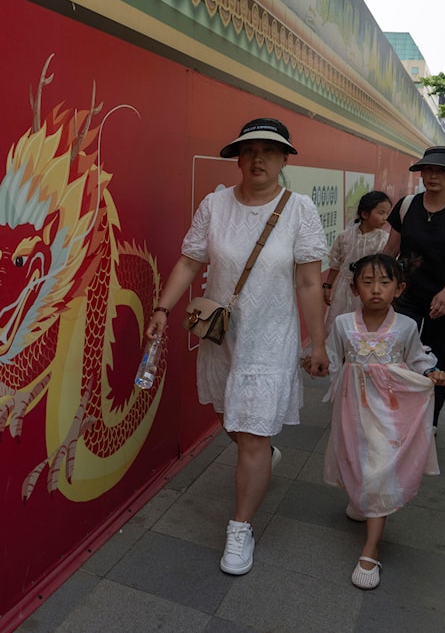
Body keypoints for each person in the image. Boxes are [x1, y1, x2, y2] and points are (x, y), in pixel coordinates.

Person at [145, 118, 328, 576]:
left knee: (250, 433)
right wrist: (161, 309)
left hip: (271, 341)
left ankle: (240, 527)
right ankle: (264, 452)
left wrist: (319, 342)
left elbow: (309, 281)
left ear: (285, 159)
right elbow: (190, 261)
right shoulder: (215, 205)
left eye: (270, 150)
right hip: (222, 337)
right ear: (237, 158)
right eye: (250, 150)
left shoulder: (299, 210)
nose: (259, 159)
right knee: (233, 420)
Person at [320, 254, 445, 590]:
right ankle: (362, 497)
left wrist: (431, 373)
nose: (376, 289)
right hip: (351, 407)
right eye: (367, 282)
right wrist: (317, 365)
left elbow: (418, 358)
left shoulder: (407, 326)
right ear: (354, 287)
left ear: (399, 288)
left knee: (380, 468)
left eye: (384, 282)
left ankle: (370, 548)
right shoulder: (342, 324)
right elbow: (334, 361)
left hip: (391, 410)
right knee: (358, 459)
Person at [383, 146, 445, 425]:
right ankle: (396, 412)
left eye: (442, 171)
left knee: (441, 357)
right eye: (428, 169)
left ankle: (429, 419)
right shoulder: (406, 206)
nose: (433, 176)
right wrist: (380, 286)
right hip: (408, 293)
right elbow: (390, 249)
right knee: (398, 350)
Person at [322, 191, 392, 330]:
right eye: (381, 213)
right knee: (338, 325)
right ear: (365, 214)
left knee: (365, 326)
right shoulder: (345, 236)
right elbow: (336, 263)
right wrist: (328, 286)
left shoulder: (384, 240)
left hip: (370, 289)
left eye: (387, 213)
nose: (385, 218)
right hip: (344, 289)